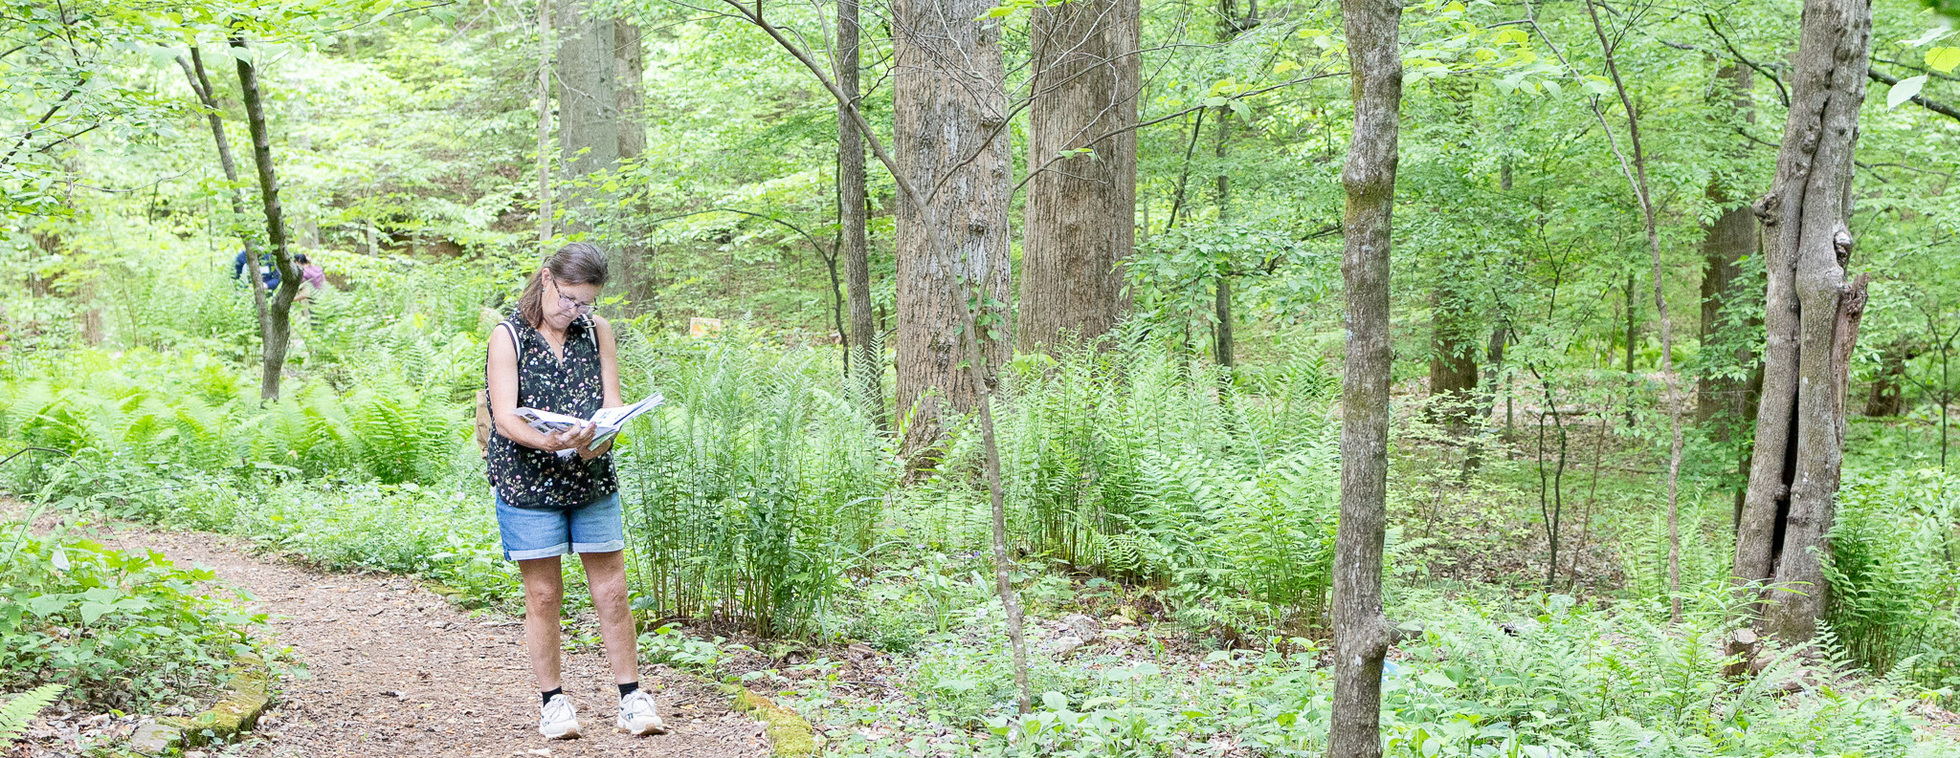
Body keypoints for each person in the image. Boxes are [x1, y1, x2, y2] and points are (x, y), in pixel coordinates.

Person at [484, 242, 666, 740]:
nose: (574, 311)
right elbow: (503, 417)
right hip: (526, 481)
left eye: (585, 302)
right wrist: (549, 440)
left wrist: (595, 441)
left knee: (612, 590)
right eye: (567, 299)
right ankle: (553, 703)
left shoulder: (597, 331)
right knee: (543, 594)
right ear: (546, 280)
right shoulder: (508, 336)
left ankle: (631, 697)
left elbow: (613, 406)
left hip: (591, 477)